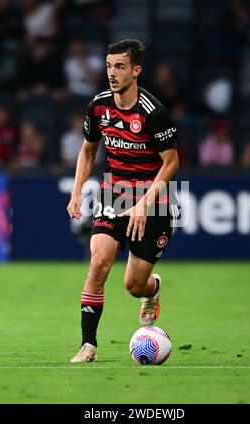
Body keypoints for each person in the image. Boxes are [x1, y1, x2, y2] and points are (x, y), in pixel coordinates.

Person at [67, 39, 179, 363]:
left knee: (133, 284)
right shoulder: (98, 106)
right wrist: (77, 192)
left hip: (154, 198)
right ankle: (88, 345)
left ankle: (152, 289)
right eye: (108, 66)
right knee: (99, 262)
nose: (112, 74)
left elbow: (171, 163)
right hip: (114, 192)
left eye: (119, 67)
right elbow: (88, 151)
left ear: (136, 70)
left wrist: (144, 203)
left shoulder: (153, 113)